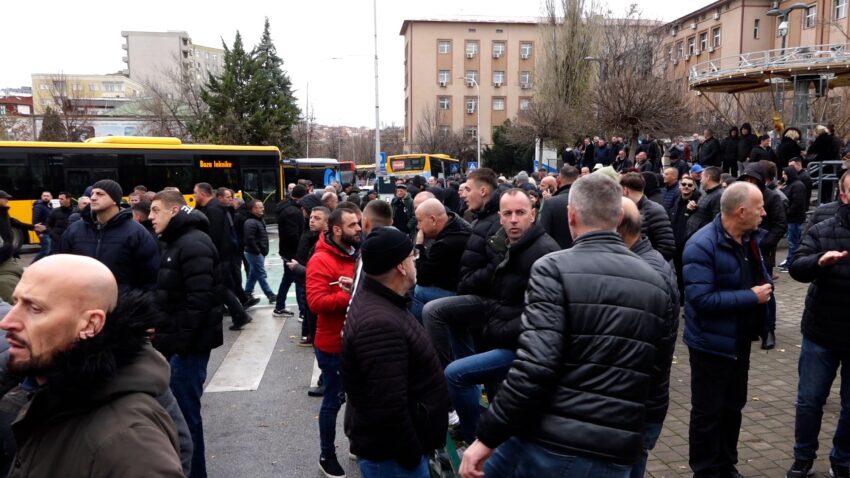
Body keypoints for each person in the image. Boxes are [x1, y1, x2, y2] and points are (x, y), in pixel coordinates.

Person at [459, 174, 670, 478]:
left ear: (571, 215)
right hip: (616, 448)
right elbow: (657, 374)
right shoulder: (656, 280)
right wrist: (640, 438)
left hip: (556, 444)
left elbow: (535, 366)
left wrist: (488, 436)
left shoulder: (553, 269)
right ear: (619, 217)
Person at [0, 254, 183, 477]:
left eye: (35, 308)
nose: (7, 322)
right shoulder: (46, 388)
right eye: (16, 302)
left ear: (90, 324)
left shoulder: (128, 440)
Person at [442, 189, 559, 443]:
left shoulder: (543, 253)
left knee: (455, 373)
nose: (514, 219)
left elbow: (543, 315)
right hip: (503, 334)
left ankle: (477, 439)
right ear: (500, 217)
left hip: (523, 347)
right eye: (508, 214)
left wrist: (498, 329)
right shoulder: (504, 245)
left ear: (533, 215)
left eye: (520, 213)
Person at [683, 182, 775, 478]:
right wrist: (751, 297)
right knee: (708, 412)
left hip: (739, 341)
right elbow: (701, 300)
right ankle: (706, 471)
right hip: (710, 345)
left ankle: (726, 465)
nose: (764, 213)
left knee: (733, 407)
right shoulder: (701, 245)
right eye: (759, 207)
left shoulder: (749, 239)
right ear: (741, 212)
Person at [341, 227, 449, 478]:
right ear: (401, 266)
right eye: (413, 256)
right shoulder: (379, 324)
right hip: (395, 460)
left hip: (394, 455)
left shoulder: (383, 302)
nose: (415, 262)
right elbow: (388, 405)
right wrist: (412, 454)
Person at [149, 190, 223, 478]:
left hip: (187, 348)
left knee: (185, 418)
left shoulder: (192, 243)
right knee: (179, 416)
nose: (151, 217)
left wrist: (179, 344)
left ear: (174, 211)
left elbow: (199, 301)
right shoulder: (177, 241)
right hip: (178, 343)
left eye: (156, 210)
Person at [786, 171, 850, 478]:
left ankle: (842, 460)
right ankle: (803, 458)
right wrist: (819, 261)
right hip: (821, 332)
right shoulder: (823, 226)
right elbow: (796, 266)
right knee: (810, 401)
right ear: (844, 196)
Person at [617, 198, 680, 478]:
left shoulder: (644, 274)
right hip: (640, 402)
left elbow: (636, 351)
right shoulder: (640, 262)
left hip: (637, 405)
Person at [307, 207, 361, 478]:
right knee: (333, 401)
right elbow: (316, 302)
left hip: (357, 340)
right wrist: (351, 294)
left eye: (359, 223)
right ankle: (326, 455)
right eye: (352, 225)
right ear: (337, 230)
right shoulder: (320, 259)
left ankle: (356, 443)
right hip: (332, 345)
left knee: (359, 397)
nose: (359, 229)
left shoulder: (356, 253)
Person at [58, 179, 159, 293]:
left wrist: (132, 300)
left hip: (122, 301)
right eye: (92, 193)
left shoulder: (136, 232)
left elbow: (150, 276)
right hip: (82, 299)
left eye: (100, 194)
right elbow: (62, 267)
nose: (93, 197)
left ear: (114, 200)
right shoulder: (75, 230)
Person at [194, 182, 255, 329]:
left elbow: (215, 235)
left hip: (220, 255)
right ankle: (239, 314)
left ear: (202, 193)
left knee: (220, 286)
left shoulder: (213, 209)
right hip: (223, 254)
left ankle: (239, 315)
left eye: (195, 192)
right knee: (222, 286)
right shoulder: (213, 207)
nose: (194, 195)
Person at [411, 198, 471, 323]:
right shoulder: (460, 226)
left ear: (433, 220)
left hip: (462, 294)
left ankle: (422, 331)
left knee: (417, 291)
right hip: (465, 288)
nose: (418, 226)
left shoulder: (445, 244)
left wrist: (419, 246)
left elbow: (422, 279)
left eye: (420, 221)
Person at [289, 205, 330, 347]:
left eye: (317, 218)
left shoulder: (325, 243)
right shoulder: (313, 237)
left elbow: (319, 272)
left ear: (327, 222)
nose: (312, 220)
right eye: (311, 217)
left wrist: (298, 268)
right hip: (308, 284)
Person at [621, 172, 676, 261]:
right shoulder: (631, 209)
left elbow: (667, 248)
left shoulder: (655, 210)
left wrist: (645, 264)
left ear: (625, 190)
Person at [0, 191, 42, 304]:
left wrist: (32, 227)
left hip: (7, 256)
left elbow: (14, 222)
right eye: (5, 198)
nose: (8, 200)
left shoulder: (3, 213)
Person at [274, 184, 307, 317]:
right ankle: (302, 312)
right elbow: (293, 235)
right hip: (293, 253)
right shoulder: (293, 212)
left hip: (287, 251)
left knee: (288, 279)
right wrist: (300, 251)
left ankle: (279, 307)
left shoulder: (286, 206)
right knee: (298, 280)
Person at [670, 175, 701, 303]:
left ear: (693, 188)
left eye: (689, 185)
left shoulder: (697, 202)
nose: (686, 187)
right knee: (679, 273)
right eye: (683, 184)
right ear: (679, 186)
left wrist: (694, 210)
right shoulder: (677, 200)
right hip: (676, 245)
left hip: (689, 246)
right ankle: (681, 298)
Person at [243, 199, 276, 303]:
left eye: (262, 206)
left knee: (253, 274)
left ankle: (247, 294)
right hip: (254, 252)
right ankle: (270, 295)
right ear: (253, 209)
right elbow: (249, 239)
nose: (262, 209)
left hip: (256, 252)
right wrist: (258, 251)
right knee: (260, 274)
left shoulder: (258, 220)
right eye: (260, 207)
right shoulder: (251, 222)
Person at [537, 165, 578, 249]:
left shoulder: (550, 203)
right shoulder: (587, 201)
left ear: (558, 180)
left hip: (556, 253)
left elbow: (542, 234)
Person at [780, 166, 808, 272]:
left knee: (793, 243)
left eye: (784, 174)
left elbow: (797, 203)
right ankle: (790, 260)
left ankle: (792, 263)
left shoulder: (797, 186)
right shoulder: (791, 185)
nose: (783, 176)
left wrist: (787, 213)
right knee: (792, 242)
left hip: (794, 219)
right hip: (791, 219)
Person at [686, 166, 724, 238]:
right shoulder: (705, 193)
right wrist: (691, 208)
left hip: (702, 237)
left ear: (708, 177)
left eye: (702, 177)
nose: (700, 181)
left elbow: (716, 222)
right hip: (695, 235)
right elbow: (701, 213)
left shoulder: (719, 195)